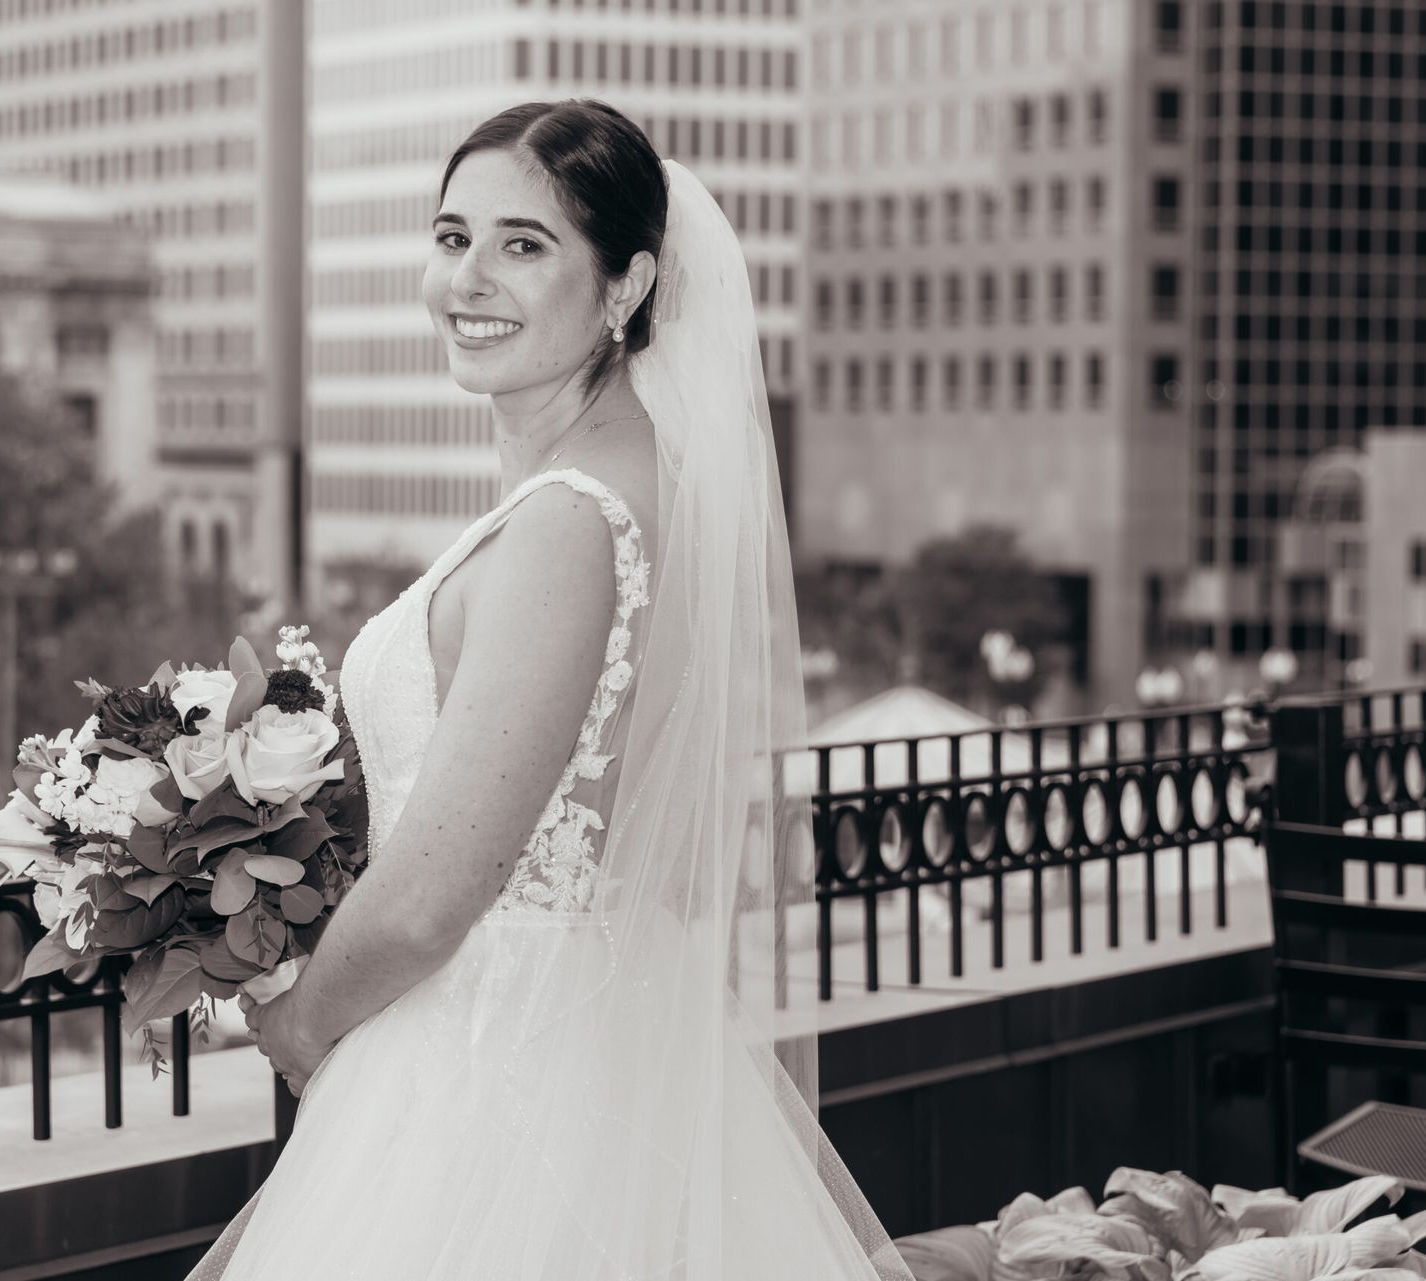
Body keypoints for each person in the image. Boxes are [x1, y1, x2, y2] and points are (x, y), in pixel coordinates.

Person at [188, 99, 914, 1281]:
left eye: (525, 246)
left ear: (626, 289)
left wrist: (300, 1022)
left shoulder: (573, 520)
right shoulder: (631, 486)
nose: (468, 279)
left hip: (496, 1064)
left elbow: (436, 895)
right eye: (452, 236)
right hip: (597, 1030)